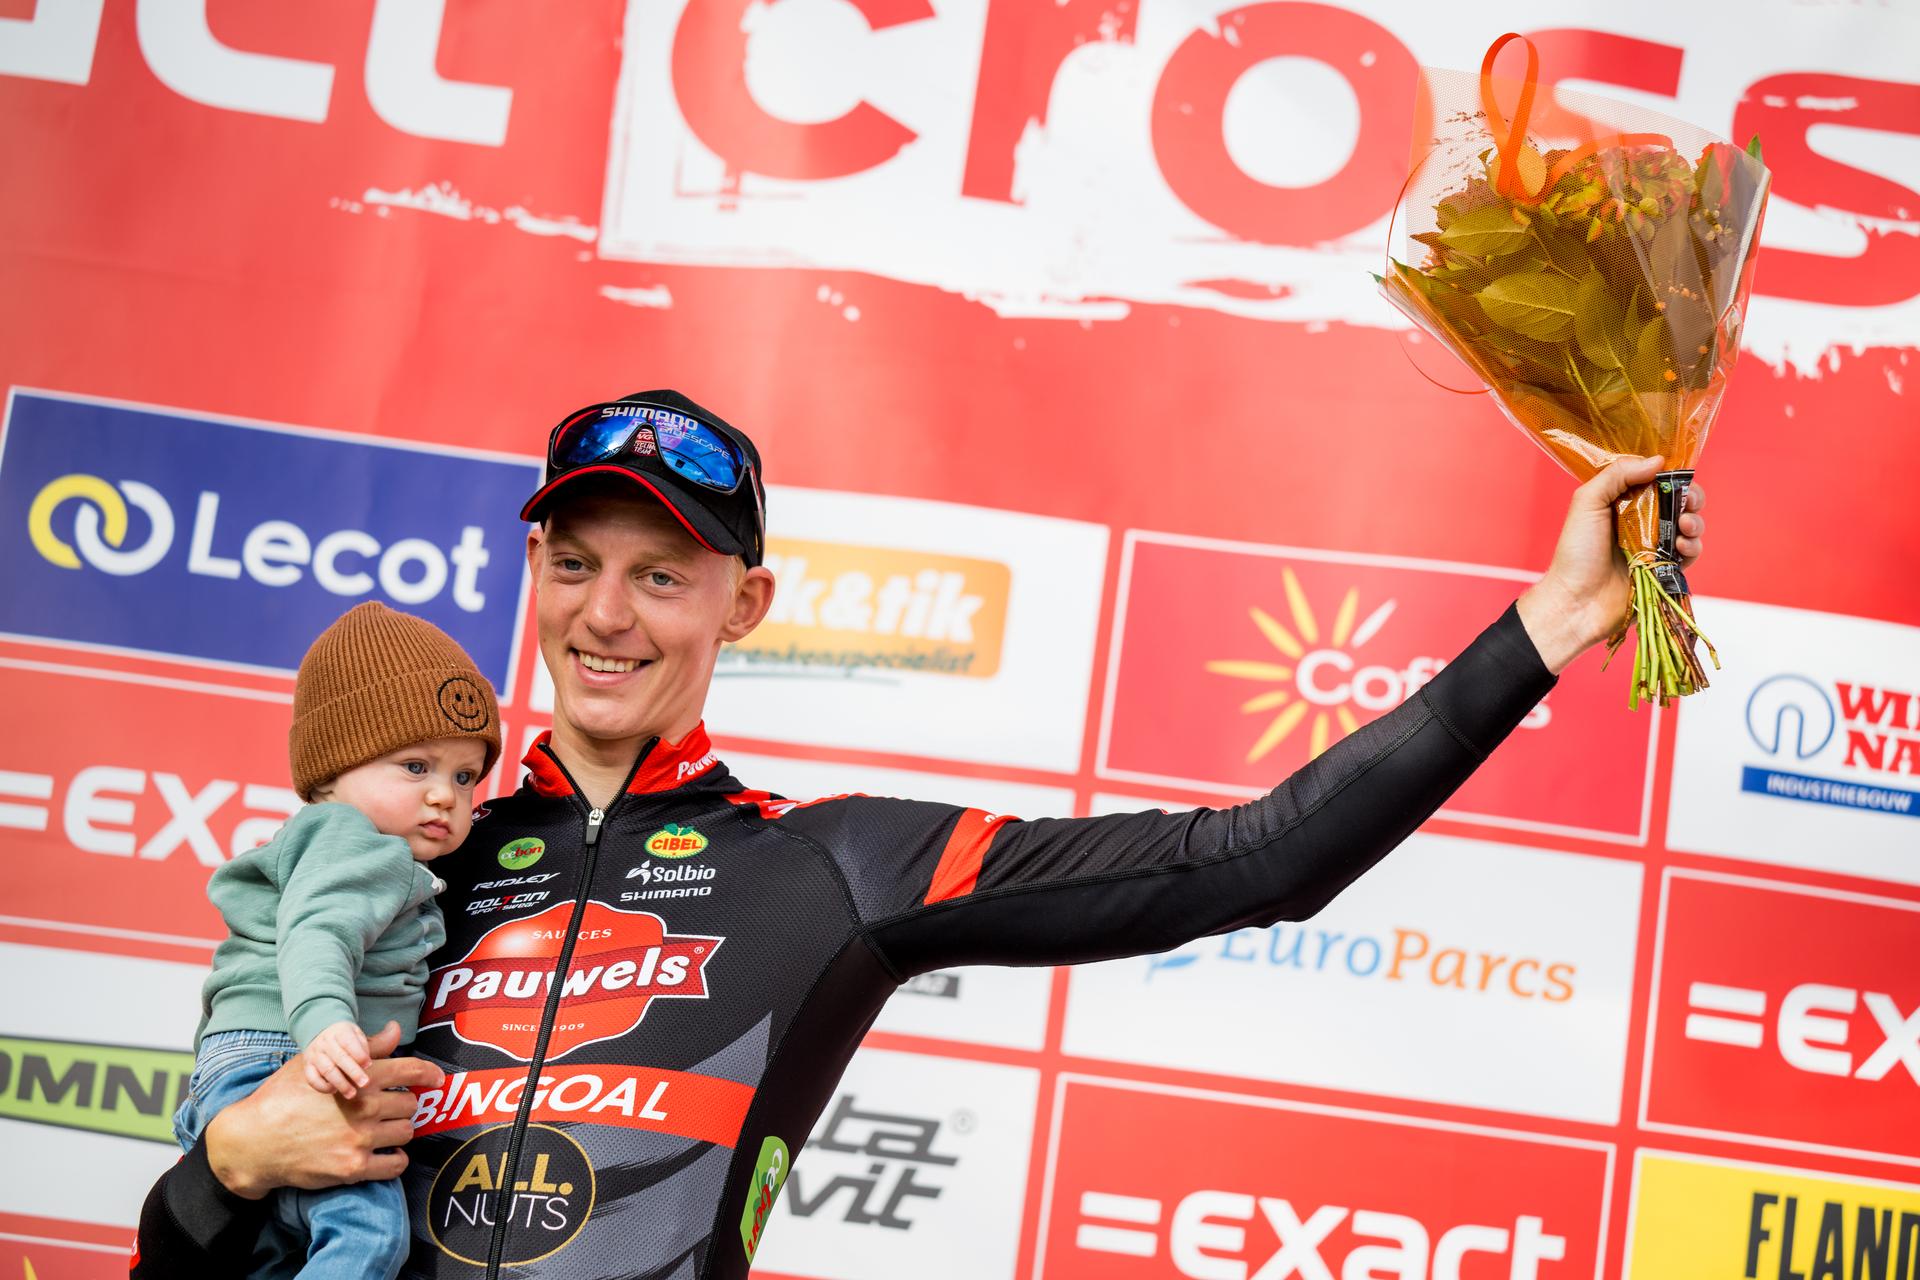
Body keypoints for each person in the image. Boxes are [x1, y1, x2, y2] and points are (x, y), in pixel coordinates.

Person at [133, 389, 1707, 1279]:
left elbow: (1256, 855)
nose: (604, 618)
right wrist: (220, 1165)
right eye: (574, 562)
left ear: (744, 604)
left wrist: (1552, 623)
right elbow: (186, 1234)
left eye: (663, 576)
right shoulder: (401, 848)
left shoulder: (833, 862)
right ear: (533, 566)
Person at [164, 602, 501, 1278]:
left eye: (465, 776)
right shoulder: (352, 838)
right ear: (331, 775)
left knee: (268, 1254)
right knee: (370, 1233)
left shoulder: (367, 849)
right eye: (415, 767)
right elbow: (317, 931)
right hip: (291, 1055)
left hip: (251, 1063)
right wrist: (323, 1027)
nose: (444, 796)